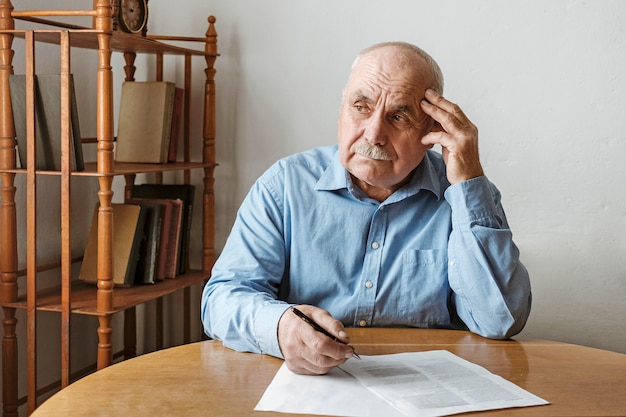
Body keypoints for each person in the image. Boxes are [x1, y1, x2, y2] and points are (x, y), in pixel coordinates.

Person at [201, 41, 532, 375]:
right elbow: (222, 299)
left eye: (399, 116)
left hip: (429, 392)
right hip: (312, 387)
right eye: (361, 106)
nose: (374, 134)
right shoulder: (284, 186)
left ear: (433, 129)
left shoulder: (465, 197)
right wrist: (280, 327)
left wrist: (468, 183)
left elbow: (499, 320)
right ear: (342, 106)